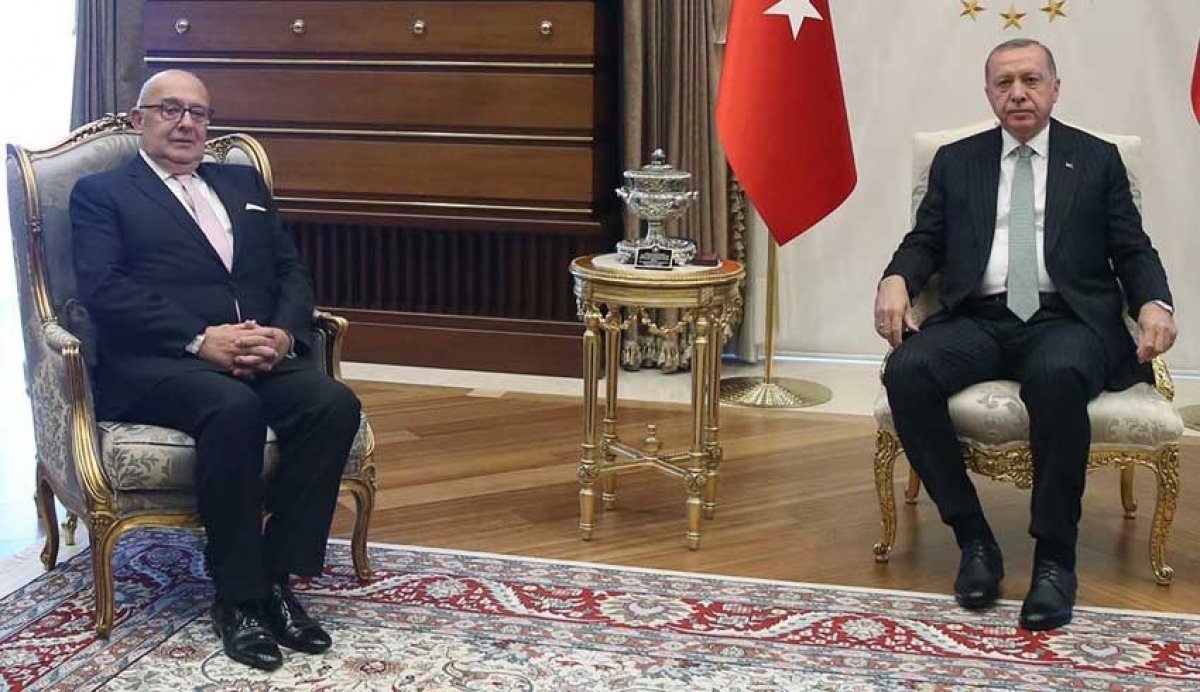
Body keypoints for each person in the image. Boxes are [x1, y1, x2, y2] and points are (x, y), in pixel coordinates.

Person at [874, 39, 1176, 631]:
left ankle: (1055, 560)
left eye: (1031, 80)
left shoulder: (1097, 159)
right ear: (988, 94)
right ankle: (975, 540)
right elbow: (925, 241)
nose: (1018, 93)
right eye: (1004, 83)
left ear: (1055, 88)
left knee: (1058, 376)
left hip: (1066, 318)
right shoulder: (956, 161)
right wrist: (895, 278)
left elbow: (1132, 248)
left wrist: (1153, 302)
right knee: (907, 370)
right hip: (977, 317)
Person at [71, 70, 362, 670]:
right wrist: (200, 340)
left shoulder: (241, 181)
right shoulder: (103, 193)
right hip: (157, 362)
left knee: (333, 404)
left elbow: (289, 270)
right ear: (139, 120)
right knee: (233, 407)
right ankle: (238, 598)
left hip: (256, 351)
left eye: (198, 113)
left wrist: (283, 335)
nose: (185, 123)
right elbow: (105, 289)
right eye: (170, 109)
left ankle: (277, 577)